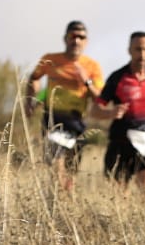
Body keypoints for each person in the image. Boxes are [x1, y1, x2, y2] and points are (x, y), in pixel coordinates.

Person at [25, 20, 104, 191]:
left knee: (71, 172)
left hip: (77, 122)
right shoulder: (50, 59)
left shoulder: (92, 66)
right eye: (72, 36)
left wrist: (87, 81)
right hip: (52, 119)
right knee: (56, 164)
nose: (76, 40)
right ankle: (57, 200)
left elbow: (100, 97)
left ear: (86, 41)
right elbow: (34, 78)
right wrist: (29, 102)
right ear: (65, 38)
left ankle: (66, 202)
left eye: (81, 37)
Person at [95, 32, 145, 196]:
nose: (142, 54)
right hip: (120, 144)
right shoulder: (118, 77)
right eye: (138, 49)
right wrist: (111, 112)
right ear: (129, 50)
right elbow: (94, 110)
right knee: (118, 200)